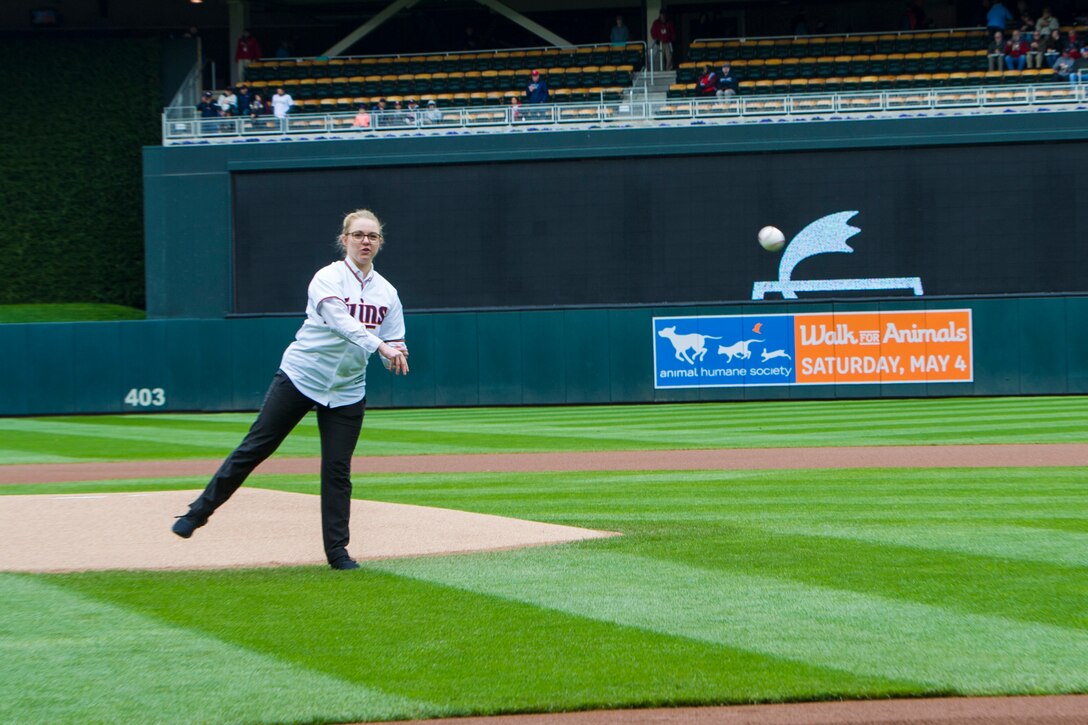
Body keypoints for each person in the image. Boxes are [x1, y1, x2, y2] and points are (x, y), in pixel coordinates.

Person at [171, 209, 410, 571]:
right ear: (343, 239)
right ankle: (196, 513)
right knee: (256, 447)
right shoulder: (326, 278)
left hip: (347, 389)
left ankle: (338, 553)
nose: (366, 241)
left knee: (337, 470)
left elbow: (393, 339)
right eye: (358, 234)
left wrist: (395, 354)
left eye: (373, 236)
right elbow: (341, 322)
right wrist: (381, 346)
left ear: (380, 243)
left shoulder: (387, 292)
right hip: (301, 375)